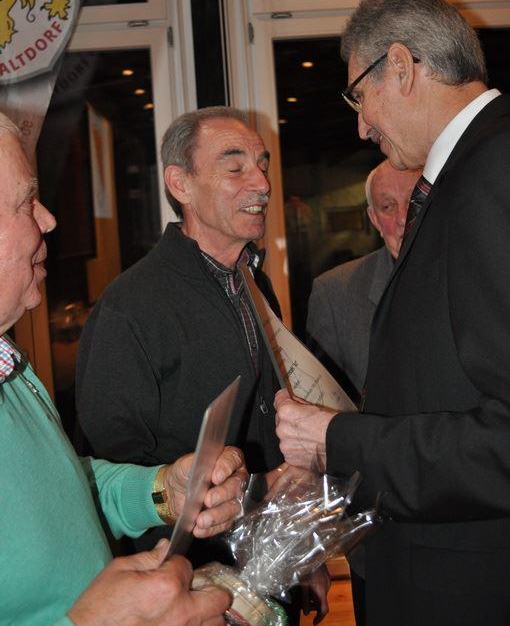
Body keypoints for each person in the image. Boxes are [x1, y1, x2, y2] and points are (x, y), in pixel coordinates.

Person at [274, 0, 510, 625]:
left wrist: (337, 440)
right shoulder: (469, 170)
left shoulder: (493, 171)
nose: (361, 124)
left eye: (359, 95)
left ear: (401, 67)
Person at [76, 107, 329, 622]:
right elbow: (115, 475)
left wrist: (302, 551)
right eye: (235, 167)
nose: (262, 183)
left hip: (269, 574)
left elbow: (269, 425)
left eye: (262, 165)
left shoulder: (254, 283)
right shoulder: (130, 307)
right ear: (180, 184)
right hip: (191, 593)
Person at [0, 113, 248, 626]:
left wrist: (163, 491)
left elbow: (66, 488)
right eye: (26, 201)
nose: (48, 219)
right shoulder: (131, 307)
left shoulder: (12, 367)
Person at [307, 159, 420, 397]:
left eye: (413, 201)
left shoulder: (472, 273)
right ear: (374, 219)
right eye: (387, 207)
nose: (403, 218)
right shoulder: (333, 294)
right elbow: (325, 402)